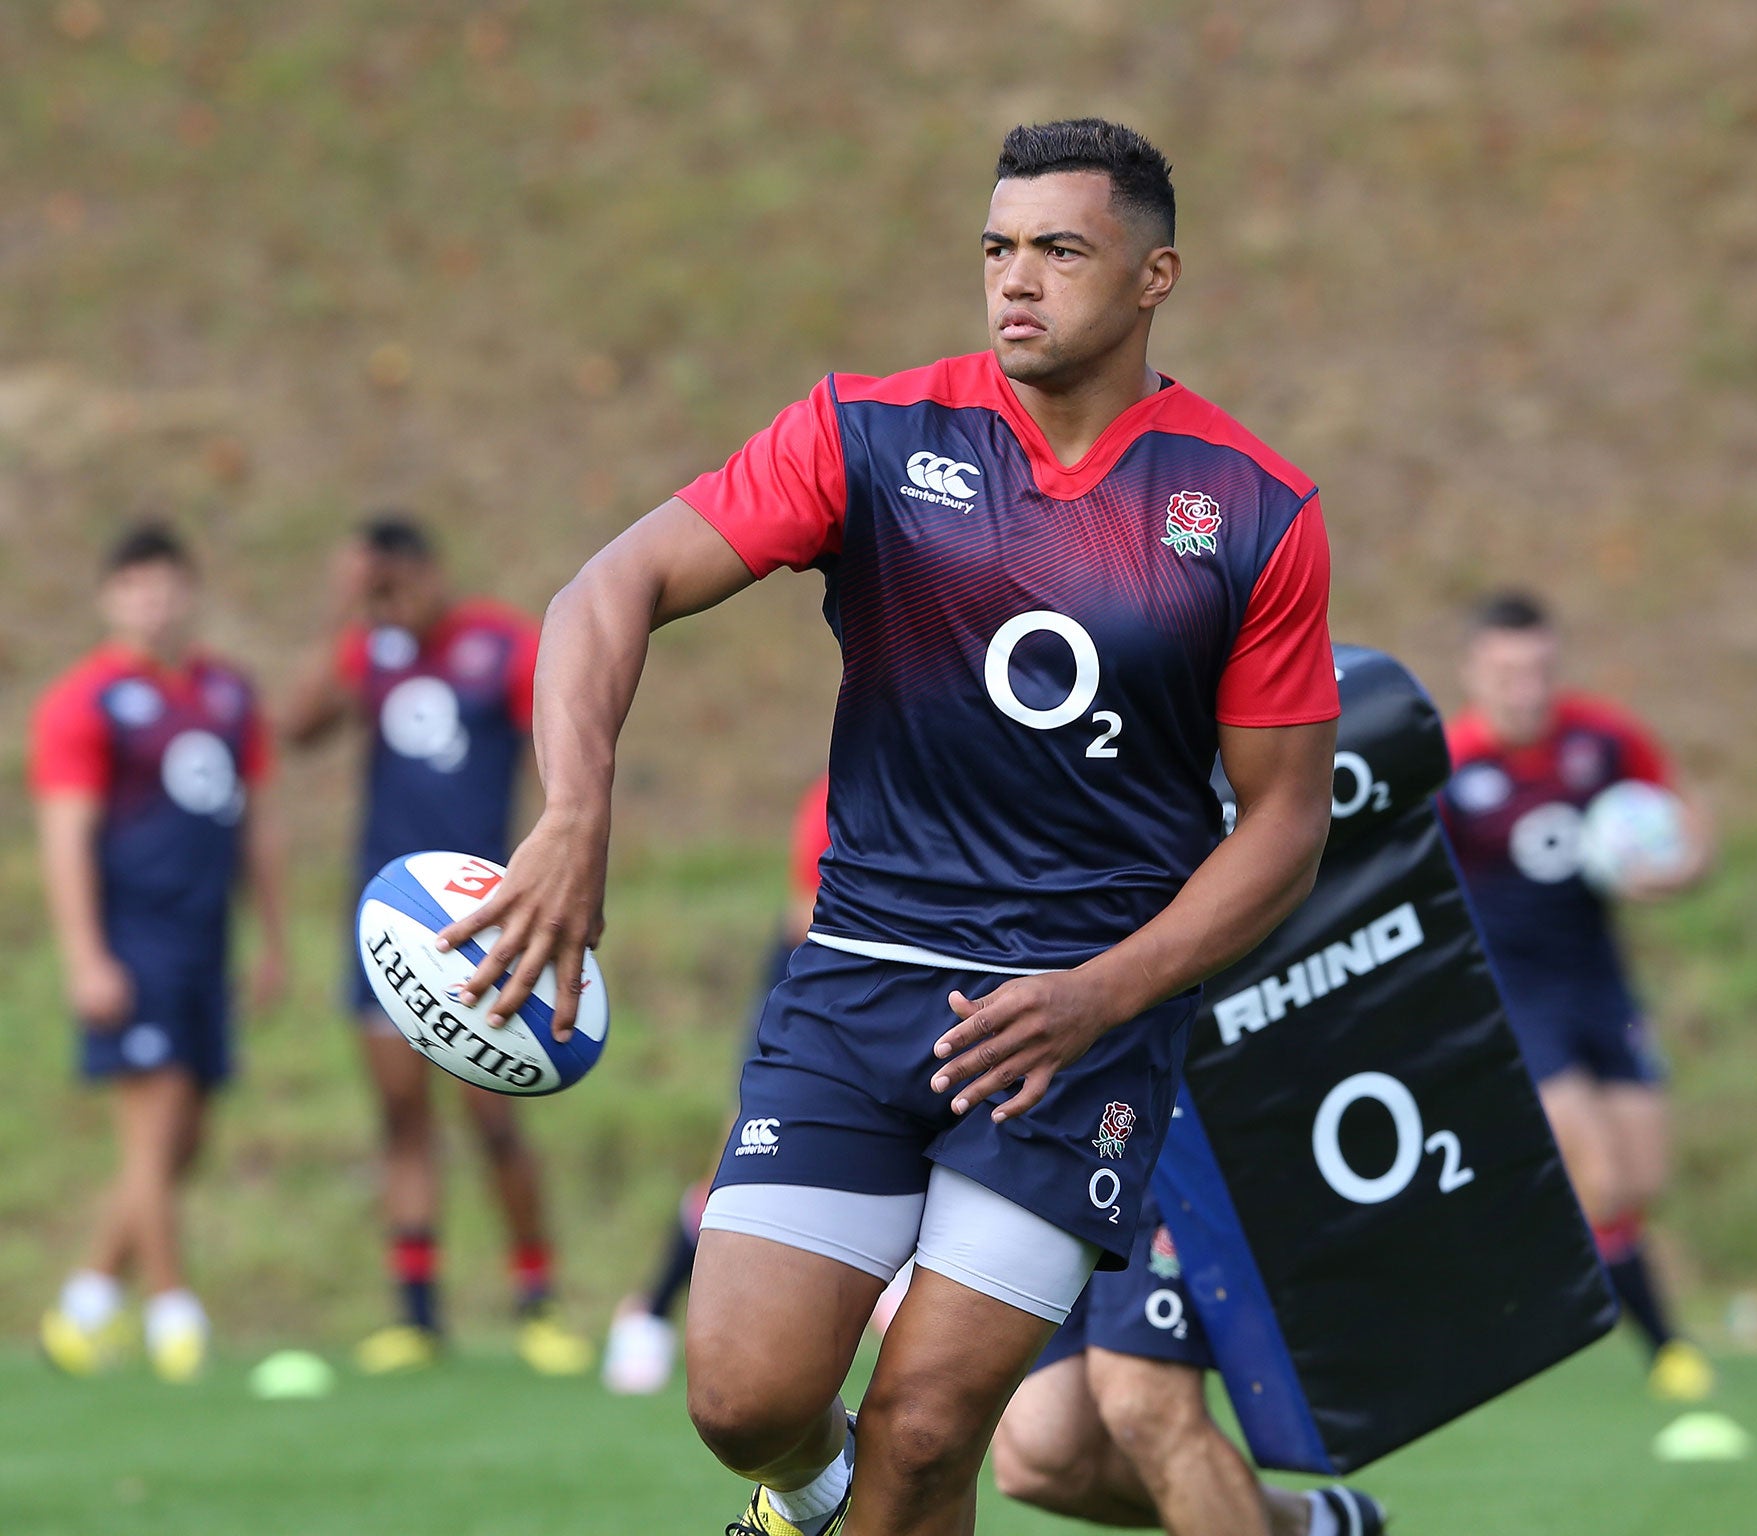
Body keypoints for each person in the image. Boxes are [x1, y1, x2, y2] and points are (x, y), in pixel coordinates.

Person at [439, 117, 1339, 1536]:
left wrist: (1098, 996)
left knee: (927, 1434)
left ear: (1155, 275)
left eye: (1060, 250)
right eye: (997, 249)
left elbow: (1285, 827)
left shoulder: (1250, 511)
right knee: (743, 1400)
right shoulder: (868, 432)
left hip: (1072, 1029)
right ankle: (801, 1503)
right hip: (857, 980)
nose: (1016, 282)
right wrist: (575, 814)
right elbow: (607, 590)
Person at [279, 514, 590, 1377]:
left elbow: (561, 743)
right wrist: (346, 614)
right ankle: (416, 1317)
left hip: (481, 921)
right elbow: (295, 728)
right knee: (401, 1117)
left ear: (431, 569)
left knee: (494, 1113)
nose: (394, 601)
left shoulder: (497, 642)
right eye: (378, 587)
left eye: (398, 581)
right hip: (386, 925)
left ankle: (538, 1300)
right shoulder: (369, 651)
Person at [1438, 590, 1714, 1401]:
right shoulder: (1449, 762)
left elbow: (1690, 821)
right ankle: (1668, 1351)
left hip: (1601, 982)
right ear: (1475, 672)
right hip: (1513, 995)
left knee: (1640, 1181)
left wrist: (1680, 866)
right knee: (1598, 1177)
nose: (1525, 688)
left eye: (1538, 670)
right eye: (1506, 672)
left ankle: (1512, 1251)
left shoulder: (1602, 737)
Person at [30, 523, 287, 1382]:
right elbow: (66, 837)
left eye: (167, 584)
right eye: (136, 585)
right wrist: (85, 956)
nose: (154, 601)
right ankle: (175, 1314)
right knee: (152, 1127)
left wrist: (273, 938)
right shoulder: (85, 700)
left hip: (207, 941)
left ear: (189, 592)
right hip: (134, 941)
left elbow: (256, 823)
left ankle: (87, 1303)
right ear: (111, 598)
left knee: (184, 1141)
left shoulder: (226, 693)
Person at [603, 772, 830, 1396]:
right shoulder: (845, 785)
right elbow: (804, 915)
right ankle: (648, 1313)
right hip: (816, 984)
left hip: (922, 996)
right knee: (744, 1158)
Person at [993, 1192, 1386, 1536]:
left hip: (1165, 1133)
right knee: (1041, 1457)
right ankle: (1309, 1525)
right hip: (1049, 1143)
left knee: (1147, 1406)